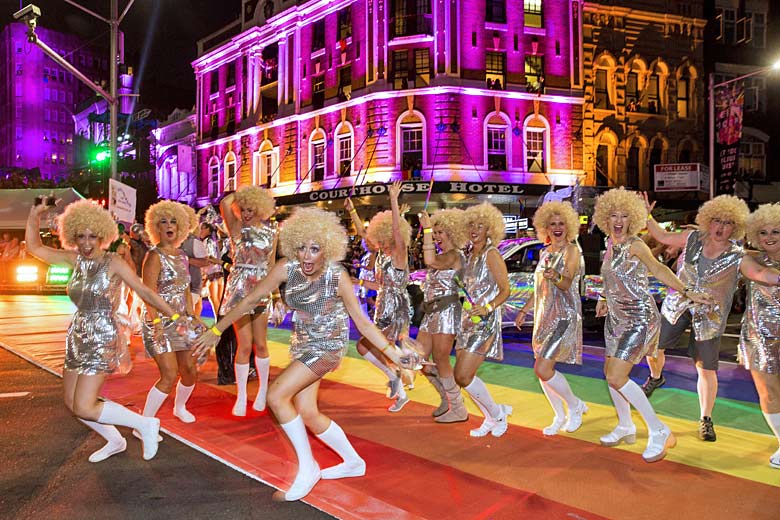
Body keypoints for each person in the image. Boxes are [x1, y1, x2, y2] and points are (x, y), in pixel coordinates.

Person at [192, 207, 424, 501]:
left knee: (277, 396)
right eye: (301, 247)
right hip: (302, 344)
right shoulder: (285, 268)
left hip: (328, 346)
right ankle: (353, 462)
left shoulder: (336, 276)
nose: (306, 255)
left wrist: (396, 354)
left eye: (314, 249)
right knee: (308, 412)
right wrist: (216, 330)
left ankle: (308, 468)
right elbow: (249, 299)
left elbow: (363, 323)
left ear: (327, 248)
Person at [25, 198, 180, 462]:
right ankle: (115, 440)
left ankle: (145, 424)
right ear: (72, 236)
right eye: (81, 236)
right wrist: (34, 213)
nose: (86, 243)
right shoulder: (73, 260)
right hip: (77, 334)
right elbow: (34, 247)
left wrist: (174, 315)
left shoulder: (112, 263)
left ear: (103, 236)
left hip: (102, 335)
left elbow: (143, 290)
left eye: (92, 237)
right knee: (73, 404)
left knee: (85, 405)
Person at [641, 193, 779, 441]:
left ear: (735, 227)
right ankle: (656, 377)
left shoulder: (737, 255)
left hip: (710, 318)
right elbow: (662, 236)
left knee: (705, 368)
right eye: (716, 220)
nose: (721, 227)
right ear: (707, 220)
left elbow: (759, 272)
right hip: (677, 305)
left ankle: (705, 418)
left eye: (727, 223)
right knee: (653, 348)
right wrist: (647, 216)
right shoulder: (693, 238)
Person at [592, 188, 712, 462]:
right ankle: (625, 425)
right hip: (616, 318)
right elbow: (610, 276)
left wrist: (686, 291)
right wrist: (603, 297)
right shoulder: (611, 244)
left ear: (633, 219)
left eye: (624, 215)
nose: (619, 220)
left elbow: (659, 270)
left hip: (638, 317)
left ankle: (659, 430)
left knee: (616, 377)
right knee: (610, 373)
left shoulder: (635, 244)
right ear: (605, 218)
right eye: (613, 215)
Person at [515, 201, 588, 436]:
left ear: (569, 227)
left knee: (543, 369)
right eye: (552, 223)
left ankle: (575, 405)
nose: (557, 227)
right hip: (543, 315)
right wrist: (525, 310)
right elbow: (540, 288)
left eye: (561, 223)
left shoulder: (572, 251)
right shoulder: (545, 252)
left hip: (564, 315)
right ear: (545, 228)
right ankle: (559, 415)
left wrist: (555, 275)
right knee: (541, 369)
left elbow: (565, 284)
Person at [345, 181, 414, 412]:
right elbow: (380, 283)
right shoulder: (382, 256)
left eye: (384, 237)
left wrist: (393, 200)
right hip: (383, 305)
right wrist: (352, 210)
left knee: (380, 346)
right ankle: (399, 376)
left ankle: (406, 372)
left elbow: (396, 230)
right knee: (364, 347)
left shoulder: (399, 253)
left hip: (397, 307)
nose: (380, 241)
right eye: (379, 238)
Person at [138, 201, 200, 428]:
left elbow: (185, 286)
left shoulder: (182, 255)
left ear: (181, 226)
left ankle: (180, 407)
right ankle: (144, 423)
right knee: (169, 374)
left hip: (182, 321)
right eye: (163, 222)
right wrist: (156, 323)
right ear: (156, 227)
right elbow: (148, 294)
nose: (169, 225)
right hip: (160, 321)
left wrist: (191, 315)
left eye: (173, 221)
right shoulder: (154, 256)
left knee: (190, 371)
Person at [454, 202, 512, 438]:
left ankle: (498, 414)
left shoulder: (491, 254)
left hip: (484, 323)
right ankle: (491, 416)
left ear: (490, 229)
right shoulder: (469, 254)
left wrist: (487, 308)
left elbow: (505, 290)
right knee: (464, 376)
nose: (475, 229)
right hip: (465, 321)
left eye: (480, 225)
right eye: (471, 225)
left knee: (463, 375)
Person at [220, 185, 278, 416]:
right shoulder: (235, 227)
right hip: (239, 288)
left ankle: (263, 391)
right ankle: (242, 396)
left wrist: (274, 294)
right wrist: (245, 191)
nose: (245, 213)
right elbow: (225, 203)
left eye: (251, 208)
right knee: (243, 345)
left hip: (262, 285)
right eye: (242, 208)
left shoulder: (272, 231)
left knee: (261, 344)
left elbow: (272, 265)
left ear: (261, 209)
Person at [417, 208, 469, 423]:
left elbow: (430, 261)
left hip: (448, 311)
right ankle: (447, 399)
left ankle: (458, 408)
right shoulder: (442, 255)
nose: (437, 236)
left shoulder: (455, 255)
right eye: (435, 232)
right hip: (432, 312)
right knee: (418, 359)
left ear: (453, 233)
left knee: (440, 359)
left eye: (440, 232)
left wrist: (426, 228)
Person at [740, 203, 780, 468]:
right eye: (763, 232)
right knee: (768, 392)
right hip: (760, 335)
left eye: (776, 231)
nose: (769, 237)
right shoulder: (747, 258)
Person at [200, 222, 225, 315]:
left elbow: (209, 258)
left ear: (208, 230)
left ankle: (218, 322)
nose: (200, 231)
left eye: (202, 228)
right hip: (220, 272)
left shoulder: (207, 241)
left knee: (214, 298)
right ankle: (221, 322)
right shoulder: (214, 241)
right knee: (219, 299)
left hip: (212, 273)